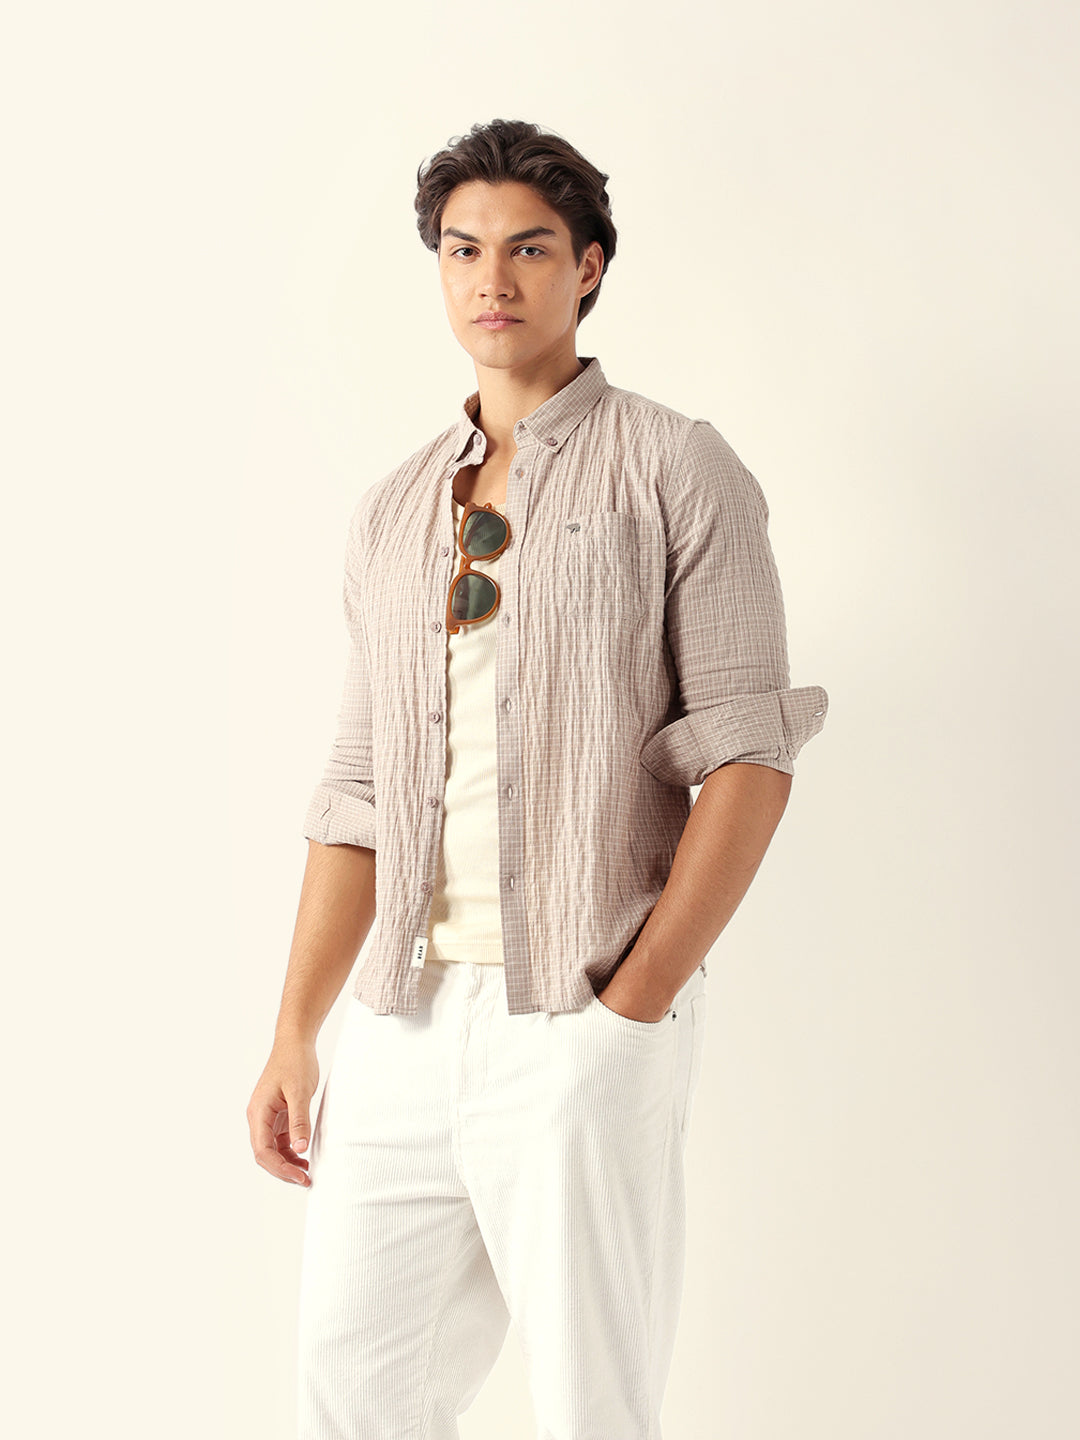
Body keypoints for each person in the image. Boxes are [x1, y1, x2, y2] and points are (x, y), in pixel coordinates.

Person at [246, 117, 829, 1439]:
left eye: (528, 248)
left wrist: (632, 1007)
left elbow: (747, 757)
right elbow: (358, 791)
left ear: (589, 267)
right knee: (352, 1398)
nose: (491, 279)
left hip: (579, 1012)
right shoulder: (395, 508)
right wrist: (296, 1031)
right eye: (463, 251)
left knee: (588, 1409)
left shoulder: (676, 465)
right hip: (398, 1024)